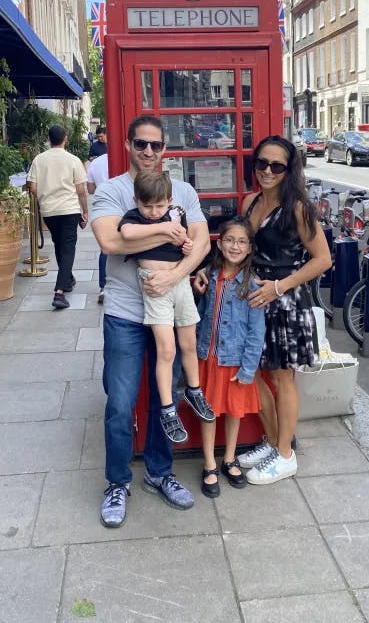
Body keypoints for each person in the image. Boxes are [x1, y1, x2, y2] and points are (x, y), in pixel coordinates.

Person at [91, 114, 211, 528]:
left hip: (171, 310)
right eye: (140, 143)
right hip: (125, 311)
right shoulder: (112, 190)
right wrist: (170, 233)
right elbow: (110, 240)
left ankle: (160, 473)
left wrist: (175, 274)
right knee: (120, 404)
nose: (148, 151)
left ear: (165, 149)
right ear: (127, 144)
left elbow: (203, 241)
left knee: (167, 398)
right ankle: (117, 481)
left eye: (155, 145)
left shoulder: (183, 190)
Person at [235, 135, 331, 483]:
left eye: (277, 166)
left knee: (282, 377)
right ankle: (274, 440)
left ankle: (286, 455)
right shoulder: (250, 202)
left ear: (289, 171)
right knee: (254, 373)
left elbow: (323, 259)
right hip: (252, 300)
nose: (267, 171)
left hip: (285, 300)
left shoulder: (297, 209)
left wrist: (279, 286)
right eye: (262, 163)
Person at [118, 169, 214, 444]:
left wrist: (185, 245)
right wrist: (162, 227)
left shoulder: (176, 215)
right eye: (146, 205)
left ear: (169, 200)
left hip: (180, 281)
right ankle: (168, 408)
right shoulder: (136, 217)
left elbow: (191, 242)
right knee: (166, 349)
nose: (152, 211)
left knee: (188, 343)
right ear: (136, 200)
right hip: (154, 284)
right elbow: (126, 233)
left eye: (159, 206)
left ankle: (194, 391)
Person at [196, 217, 265, 498]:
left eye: (241, 241)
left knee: (234, 411)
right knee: (208, 410)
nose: (234, 246)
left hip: (235, 361)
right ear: (219, 242)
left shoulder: (252, 284)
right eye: (229, 240)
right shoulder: (209, 276)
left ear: (249, 248)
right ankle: (209, 462)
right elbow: (200, 315)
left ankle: (229, 457)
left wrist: (249, 368)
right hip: (208, 357)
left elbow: (256, 331)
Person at [27, 124, 89, 310]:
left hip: (49, 211)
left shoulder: (39, 159)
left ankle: (67, 278)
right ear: (65, 139)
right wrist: (85, 211)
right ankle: (59, 292)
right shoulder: (73, 160)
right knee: (68, 248)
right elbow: (80, 191)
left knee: (60, 246)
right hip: (69, 209)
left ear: (49, 139)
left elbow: (33, 187)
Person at [87, 152, 109, 303]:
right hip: (125, 206)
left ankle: (103, 286)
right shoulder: (132, 158)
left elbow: (90, 189)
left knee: (105, 248)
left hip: (103, 208)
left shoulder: (96, 163)